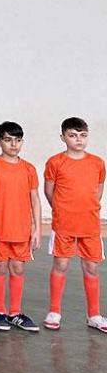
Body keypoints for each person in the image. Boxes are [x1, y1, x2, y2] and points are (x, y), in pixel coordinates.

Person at [44, 117, 107, 333]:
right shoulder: (55, 162)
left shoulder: (97, 162)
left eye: (82, 135)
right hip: (64, 225)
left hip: (90, 225)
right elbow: (49, 190)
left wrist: (88, 208)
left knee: (91, 268)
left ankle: (94, 315)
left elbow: (99, 188)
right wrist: (61, 210)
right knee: (61, 265)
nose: (78, 139)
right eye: (72, 135)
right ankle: (54, 312)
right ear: (63, 137)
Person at [0, 121, 41, 332]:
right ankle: (0, 312)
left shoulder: (29, 169)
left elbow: (35, 199)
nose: (13, 144)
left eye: (17, 140)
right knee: (0, 267)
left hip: (21, 229)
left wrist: (37, 228)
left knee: (18, 268)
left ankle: (15, 313)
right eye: (8, 140)